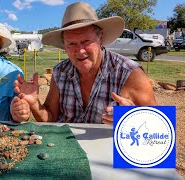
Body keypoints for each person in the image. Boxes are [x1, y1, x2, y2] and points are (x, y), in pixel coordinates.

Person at [13, 2, 157, 125]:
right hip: (66, 152)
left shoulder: (129, 73)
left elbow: (160, 126)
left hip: (106, 154)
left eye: (86, 41)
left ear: (100, 37)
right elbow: (50, 119)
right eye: (71, 44)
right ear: (64, 46)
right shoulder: (60, 72)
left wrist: (132, 119)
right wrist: (34, 103)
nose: (80, 51)